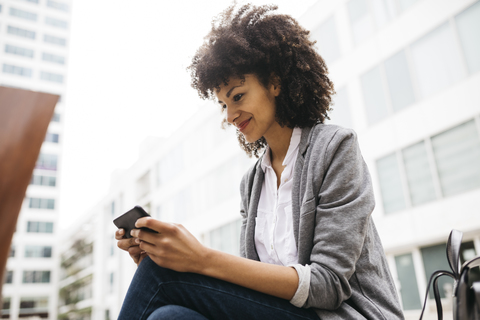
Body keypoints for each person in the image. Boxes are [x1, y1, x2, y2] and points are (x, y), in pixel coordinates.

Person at [115, 4, 404, 320]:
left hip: (343, 315)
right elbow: (250, 287)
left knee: (161, 276)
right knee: (167, 317)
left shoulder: (335, 148)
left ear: (275, 82)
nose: (229, 115)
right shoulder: (253, 183)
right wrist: (163, 255)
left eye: (237, 96)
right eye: (224, 104)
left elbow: (328, 284)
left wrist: (199, 259)